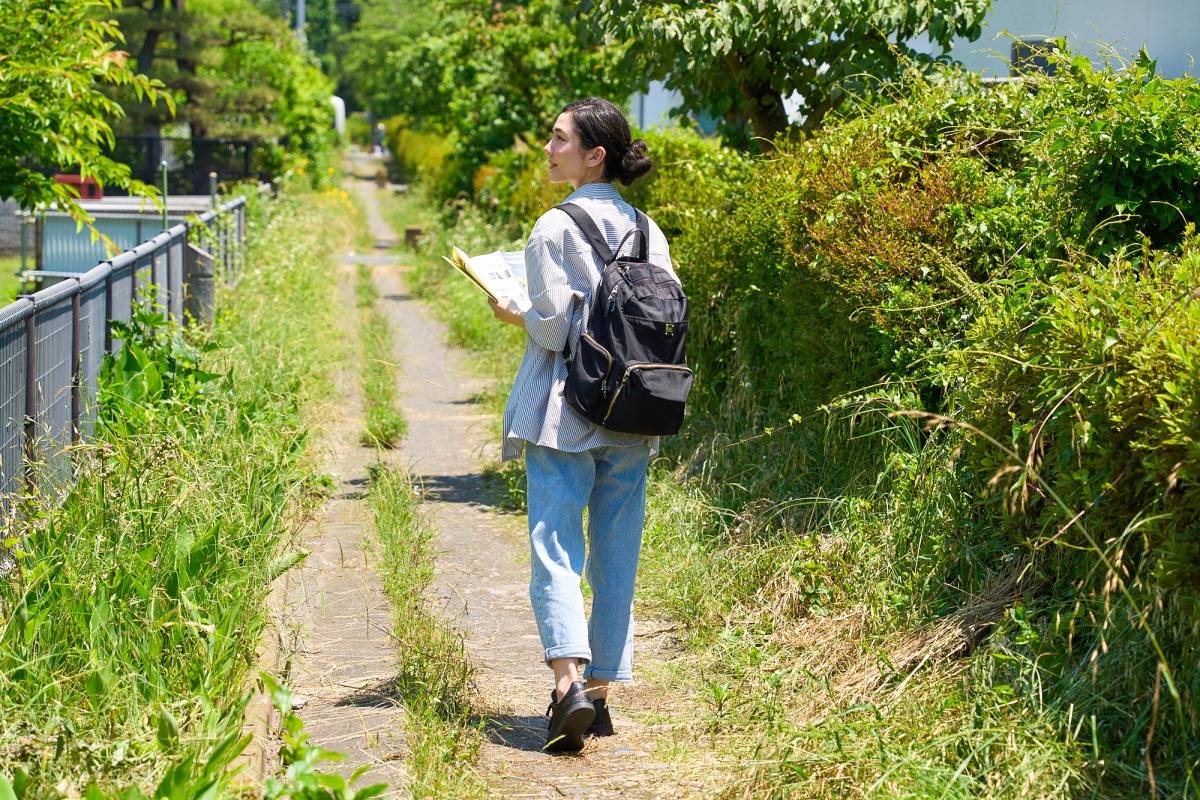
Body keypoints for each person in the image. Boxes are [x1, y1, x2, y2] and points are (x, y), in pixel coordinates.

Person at [488, 97, 680, 752]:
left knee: (556, 543)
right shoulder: (650, 232)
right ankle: (598, 699)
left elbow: (549, 326)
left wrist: (511, 311)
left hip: (568, 410)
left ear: (594, 155)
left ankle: (566, 682)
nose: (548, 147)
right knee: (618, 554)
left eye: (559, 139)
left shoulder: (553, 227)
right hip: (635, 409)